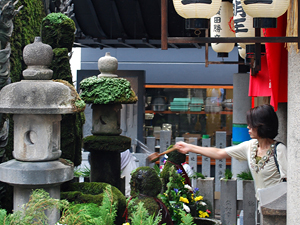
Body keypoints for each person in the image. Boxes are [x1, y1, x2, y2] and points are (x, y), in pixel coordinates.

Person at [175, 104, 287, 196]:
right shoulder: (250, 146)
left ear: (262, 125)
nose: (248, 127)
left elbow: (292, 183)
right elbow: (220, 153)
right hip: (261, 206)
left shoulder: (280, 150)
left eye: (252, 124)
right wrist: (190, 147)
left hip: (279, 208)